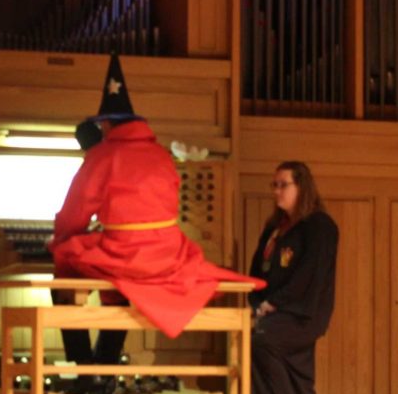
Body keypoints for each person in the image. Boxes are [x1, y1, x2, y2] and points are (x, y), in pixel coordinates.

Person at [50, 53, 265, 370]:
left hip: (126, 255)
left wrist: (62, 242)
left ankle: (86, 365)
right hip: (167, 254)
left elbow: (73, 216)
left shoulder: (101, 156)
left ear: (107, 123)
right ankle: (105, 364)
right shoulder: (161, 154)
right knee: (113, 283)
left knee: (68, 261)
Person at [248, 161, 338, 394]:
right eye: (274, 185)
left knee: (261, 342)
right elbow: (257, 271)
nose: (276, 191)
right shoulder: (275, 228)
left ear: (302, 186)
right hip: (274, 311)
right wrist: (257, 302)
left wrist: (273, 303)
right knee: (298, 378)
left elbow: (308, 276)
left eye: (283, 185)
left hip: (302, 314)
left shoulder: (319, 226)